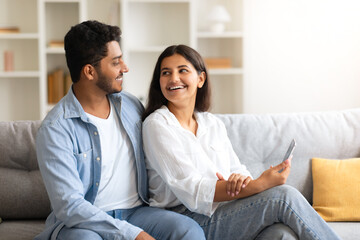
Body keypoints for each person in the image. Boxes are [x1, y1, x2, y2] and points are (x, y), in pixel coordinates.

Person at [141, 44, 342, 240]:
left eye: (182, 70)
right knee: (283, 197)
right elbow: (193, 190)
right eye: (165, 73)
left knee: (281, 234)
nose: (173, 78)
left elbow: (237, 167)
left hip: (226, 210)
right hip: (186, 219)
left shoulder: (212, 123)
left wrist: (241, 180)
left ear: (201, 78)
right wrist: (260, 184)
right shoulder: (157, 125)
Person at [35, 21, 205, 240]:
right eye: (116, 62)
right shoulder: (56, 129)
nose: (125, 67)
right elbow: (69, 206)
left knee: (188, 231)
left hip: (137, 212)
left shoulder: (131, 106)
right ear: (89, 71)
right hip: (82, 224)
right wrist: (132, 235)